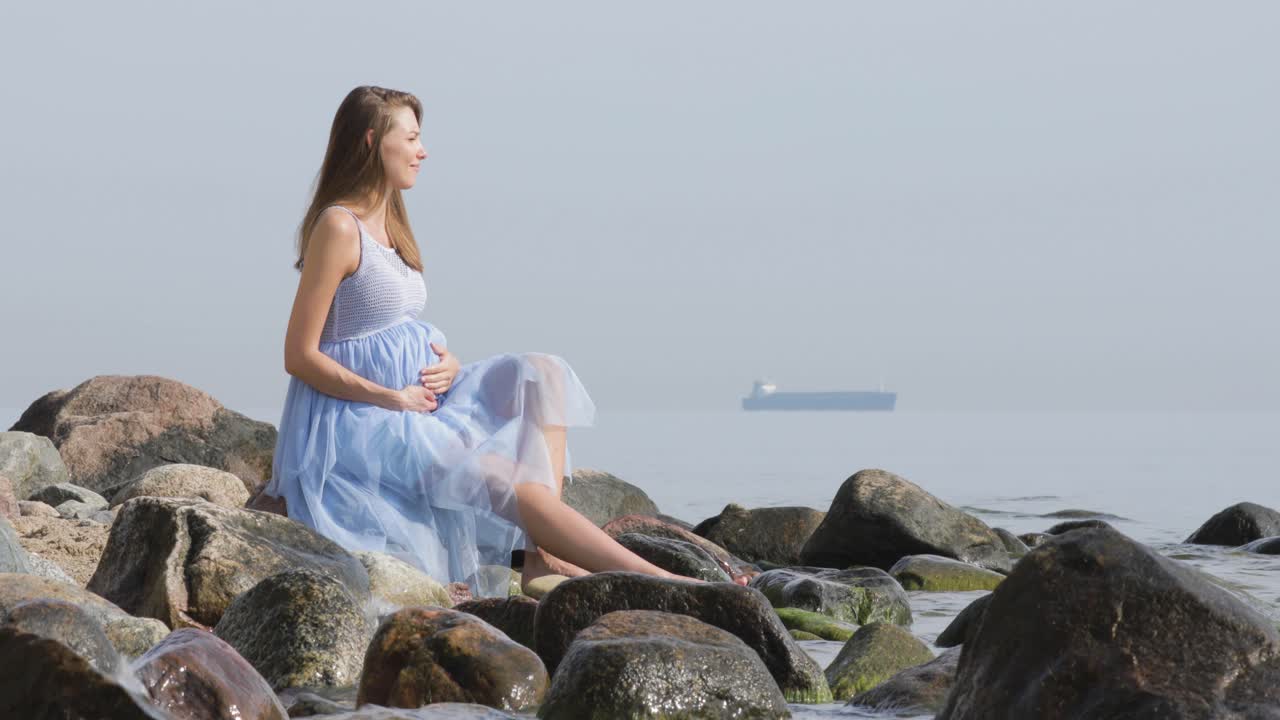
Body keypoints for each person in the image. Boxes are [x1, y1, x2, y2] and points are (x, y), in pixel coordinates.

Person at [262, 85, 705, 597]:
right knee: (503, 478)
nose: (422, 151)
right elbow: (299, 355)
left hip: (420, 398)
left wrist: (448, 360)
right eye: (411, 138)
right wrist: (391, 396)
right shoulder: (339, 226)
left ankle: (541, 554)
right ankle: (672, 584)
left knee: (543, 374)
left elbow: (397, 329)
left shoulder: (392, 224)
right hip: (361, 421)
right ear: (371, 142)